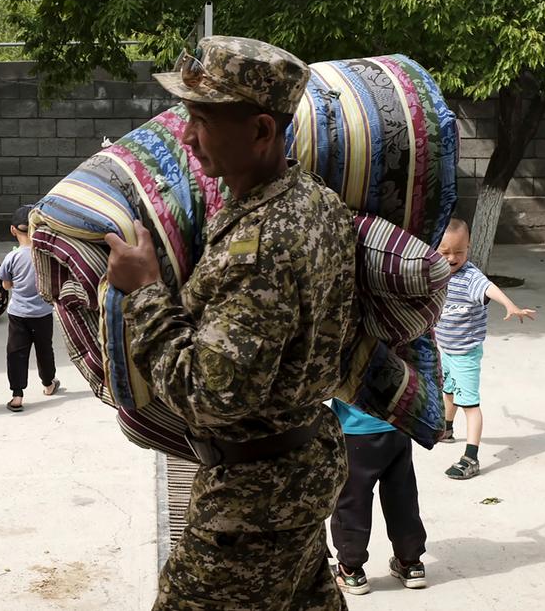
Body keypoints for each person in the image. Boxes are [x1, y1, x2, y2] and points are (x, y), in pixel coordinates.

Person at [104, 37, 356, 609]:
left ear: (263, 132)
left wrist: (143, 292)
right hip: (296, 478)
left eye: (201, 120)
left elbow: (213, 394)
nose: (186, 137)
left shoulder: (261, 244)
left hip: (251, 509)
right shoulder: (313, 199)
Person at [435, 218, 536, 479]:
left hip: (465, 353)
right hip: (445, 349)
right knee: (447, 390)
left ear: (469, 247)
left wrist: (509, 304)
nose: (452, 258)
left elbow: (489, 287)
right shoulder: (436, 271)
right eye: (445, 252)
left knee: (469, 404)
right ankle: (446, 430)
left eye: (459, 251)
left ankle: (471, 457)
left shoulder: (471, 277)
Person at [329, 399, 428, 595]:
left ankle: (350, 569)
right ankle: (411, 563)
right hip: (398, 426)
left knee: (353, 500)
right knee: (402, 495)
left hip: (356, 431)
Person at [0, 205, 60, 412]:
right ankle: (48, 384)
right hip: (42, 313)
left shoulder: (11, 257)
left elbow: (6, 284)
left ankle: (17, 395)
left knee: (16, 353)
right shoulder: (46, 255)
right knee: (44, 350)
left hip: (18, 314)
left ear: (13, 230)